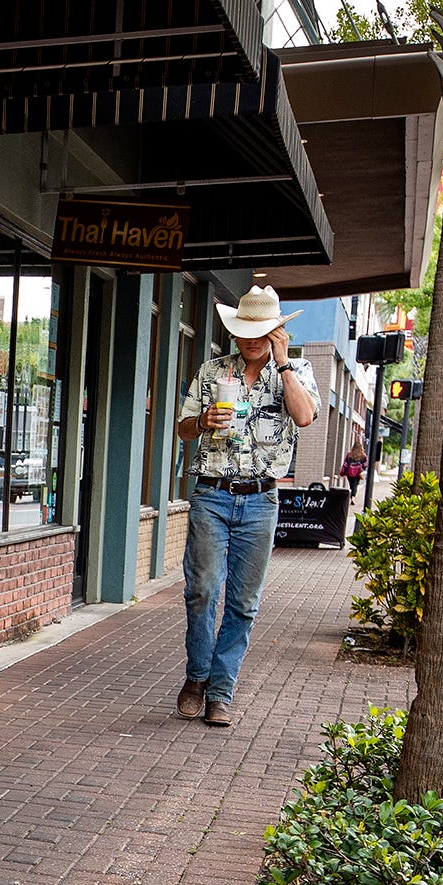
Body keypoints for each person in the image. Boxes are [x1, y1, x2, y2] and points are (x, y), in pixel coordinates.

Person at [175, 286, 318, 728]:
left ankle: (221, 691)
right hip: (212, 494)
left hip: (261, 500)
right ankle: (197, 677)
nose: (249, 339)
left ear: (276, 330)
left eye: (260, 331)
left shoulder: (295, 370)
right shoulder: (212, 370)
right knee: (201, 592)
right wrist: (202, 422)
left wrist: (284, 364)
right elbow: (182, 429)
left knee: (243, 603)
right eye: (243, 331)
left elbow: (305, 416)